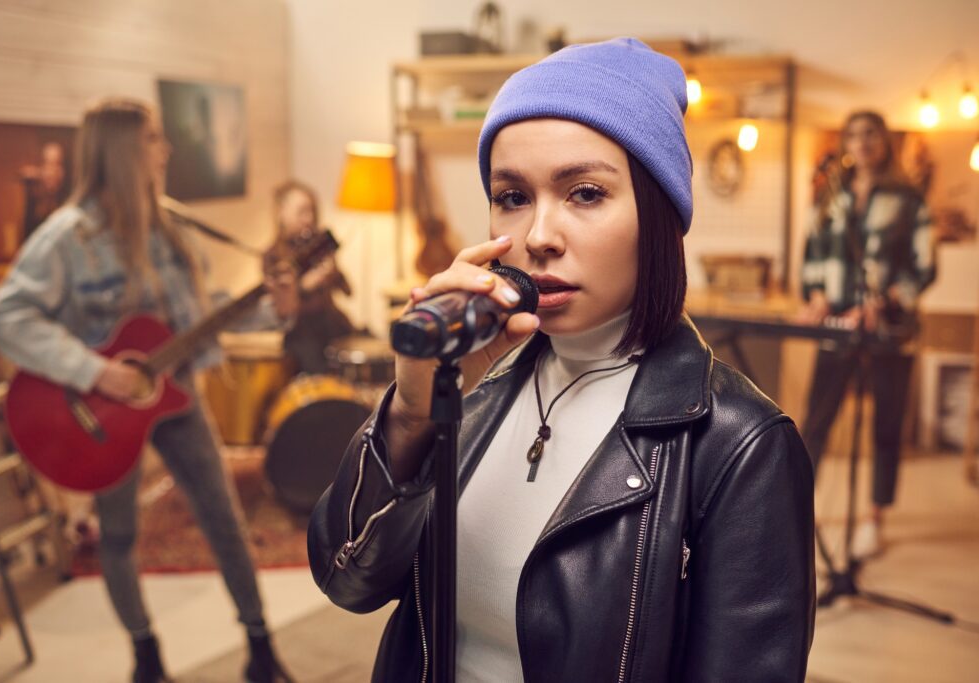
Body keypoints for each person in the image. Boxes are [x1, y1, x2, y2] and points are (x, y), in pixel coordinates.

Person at [309, 39, 816, 682]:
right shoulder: (473, 391)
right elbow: (345, 581)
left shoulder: (740, 446)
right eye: (513, 197)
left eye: (584, 193)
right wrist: (411, 413)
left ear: (657, 215)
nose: (539, 237)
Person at [0, 98, 296, 683]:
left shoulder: (173, 226)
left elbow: (202, 322)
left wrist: (276, 309)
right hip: (100, 416)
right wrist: (95, 372)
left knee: (224, 519)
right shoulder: (66, 239)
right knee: (121, 534)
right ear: (125, 150)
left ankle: (260, 649)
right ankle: (145, 654)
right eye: (155, 137)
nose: (167, 148)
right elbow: (10, 318)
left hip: (177, 396)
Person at [798, 110, 936, 558]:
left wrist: (883, 302)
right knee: (816, 419)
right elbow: (814, 249)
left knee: (885, 425)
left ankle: (874, 517)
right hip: (837, 326)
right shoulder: (831, 195)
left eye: (870, 134)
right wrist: (816, 294)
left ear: (885, 141)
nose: (861, 142)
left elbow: (924, 265)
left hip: (887, 329)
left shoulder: (909, 198)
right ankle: (798, 509)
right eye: (853, 134)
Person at [270, 179, 355, 374]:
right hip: (302, 335)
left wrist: (334, 272)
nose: (308, 219)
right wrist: (304, 287)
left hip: (331, 326)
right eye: (302, 212)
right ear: (281, 212)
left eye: (311, 212)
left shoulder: (318, 246)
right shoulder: (273, 256)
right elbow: (278, 310)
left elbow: (349, 291)